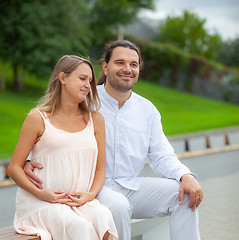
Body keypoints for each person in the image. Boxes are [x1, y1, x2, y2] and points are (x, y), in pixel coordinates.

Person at [24, 40, 203, 240]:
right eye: (120, 63)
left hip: (132, 186)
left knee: (187, 193)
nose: (127, 69)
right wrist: (28, 160)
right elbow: (52, 130)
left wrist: (184, 175)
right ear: (105, 67)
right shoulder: (85, 100)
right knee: (119, 206)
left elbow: (161, 155)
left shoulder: (147, 110)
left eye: (133, 64)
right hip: (93, 188)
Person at [8, 55, 118, 240]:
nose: (87, 85)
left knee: (104, 217)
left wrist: (89, 195)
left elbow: (100, 169)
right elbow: (14, 168)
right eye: (82, 78)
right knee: (78, 226)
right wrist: (41, 194)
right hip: (41, 202)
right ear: (63, 78)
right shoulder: (38, 118)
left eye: (90, 81)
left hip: (79, 201)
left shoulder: (96, 120)